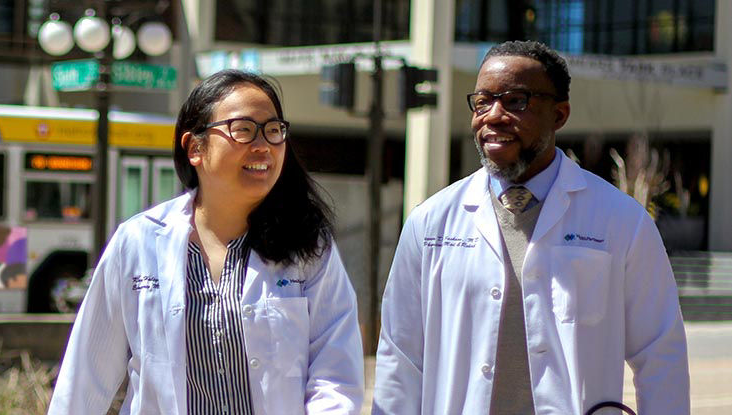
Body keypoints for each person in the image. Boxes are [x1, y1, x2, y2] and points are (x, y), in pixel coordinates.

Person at [373, 40, 689, 414]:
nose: (493, 115)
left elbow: (660, 355)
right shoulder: (430, 222)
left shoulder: (621, 220)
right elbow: (401, 356)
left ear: (559, 114)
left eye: (515, 101)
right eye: (482, 101)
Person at [49, 69, 364, 414]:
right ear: (195, 147)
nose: (264, 147)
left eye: (274, 131)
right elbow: (86, 377)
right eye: (243, 130)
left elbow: (335, 376)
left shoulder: (307, 246)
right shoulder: (139, 241)